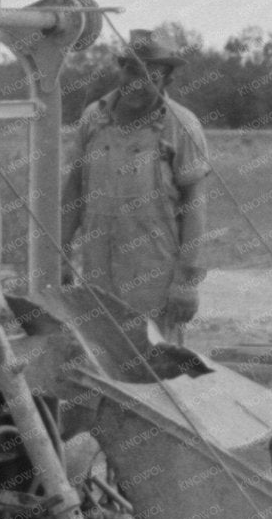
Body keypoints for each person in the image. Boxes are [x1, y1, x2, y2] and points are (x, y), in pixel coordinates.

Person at [61, 29, 211, 344]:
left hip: (154, 278)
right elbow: (75, 188)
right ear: (122, 67)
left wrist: (186, 283)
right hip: (98, 271)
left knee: (156, 370)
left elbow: (195, 206)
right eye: (131, 70)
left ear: (166, 81)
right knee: (101, 361)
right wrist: (60, 251)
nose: (137, 83)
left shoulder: (182, 126)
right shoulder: (93, 118)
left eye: (150, 76)